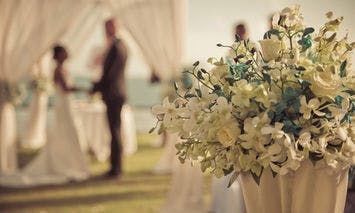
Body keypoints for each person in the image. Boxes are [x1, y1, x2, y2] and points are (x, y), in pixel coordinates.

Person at [0, 45, 90, 187]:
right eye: (64, 52)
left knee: (69, 132)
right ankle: (65, 162)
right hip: (63, 105)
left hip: (66, 104)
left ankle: (71, 161)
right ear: (59, 55)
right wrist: (84, 88)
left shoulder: (63, 69)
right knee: (66, 131)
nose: (67, 53)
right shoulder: (58, 70)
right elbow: (66, 88)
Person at [91, 18, 128, 178]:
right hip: (116, 93)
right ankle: (115, 167)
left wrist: (95, 87)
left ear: (115, 27)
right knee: (114, 130)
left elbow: (110, 74)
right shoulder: (119, 46)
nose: (105, 31)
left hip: (113, 94)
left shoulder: (116, 47)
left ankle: (116, 168)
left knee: (114, 130)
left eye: (108, 27)